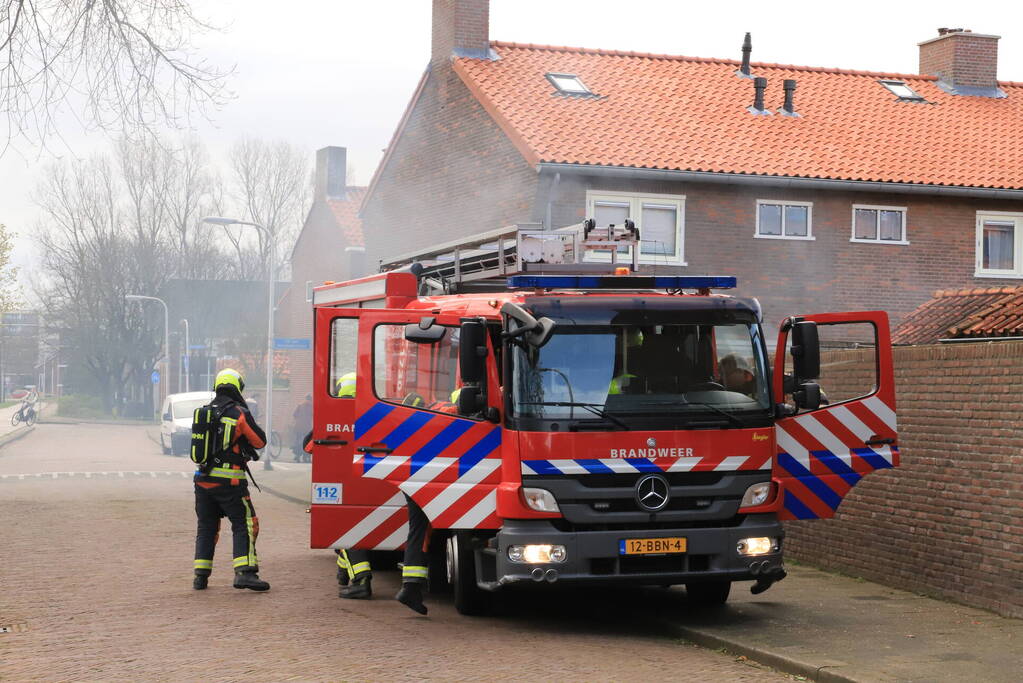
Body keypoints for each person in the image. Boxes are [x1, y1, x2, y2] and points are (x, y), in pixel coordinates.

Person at [192, 368, 271, 592]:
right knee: (245, 523)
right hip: (230, 482)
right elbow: (259, 442)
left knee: (206, 527)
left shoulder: (205, 411)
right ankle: (245, 573)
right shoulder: (238, 413)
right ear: (238, 388)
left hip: (202, 480)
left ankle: (200, 576)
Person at [292, 394, 313, 462]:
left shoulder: (300, 405)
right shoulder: (312, 406)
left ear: (305, 398)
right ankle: (306, 457)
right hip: (307, 428)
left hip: (298, 427)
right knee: (307, 442)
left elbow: (294, 414)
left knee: (298, 441)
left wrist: (299, 419)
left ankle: (297, 456)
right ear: (311, 399)